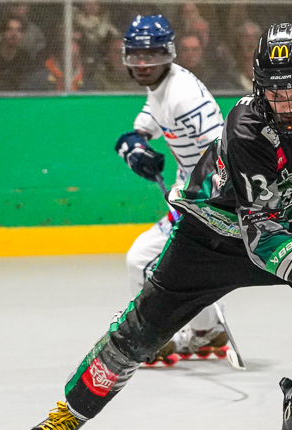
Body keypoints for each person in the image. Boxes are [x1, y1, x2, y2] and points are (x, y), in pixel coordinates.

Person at [15, 23, 292, 430]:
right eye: (273, 94)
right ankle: (73, 409)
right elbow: (259, 229)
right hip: (213, 233)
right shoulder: (247, 127)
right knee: (145, 328)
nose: (285, 105)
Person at [110, 15, 227, 366]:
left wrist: (199, 202)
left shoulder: (183, 96)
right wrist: (134, 146)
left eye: (151, 55)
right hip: (193, 195)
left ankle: (149, 338)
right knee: (187, 267)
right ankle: (207, 331)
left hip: (208, 199)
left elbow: (223, 153)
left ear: (168, 54)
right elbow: (143, 126)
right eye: (136, 55)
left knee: (141, 258)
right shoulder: (161, 88)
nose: (143, 64)